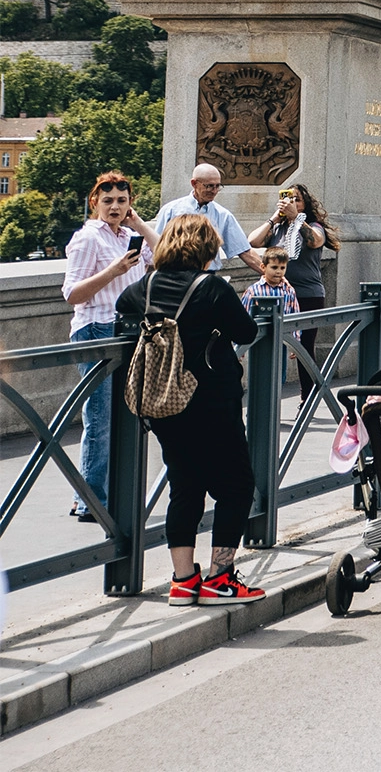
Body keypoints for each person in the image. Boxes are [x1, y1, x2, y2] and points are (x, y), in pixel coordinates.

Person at [122, 218, 263, 606]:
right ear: (205, 250)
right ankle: (221, 579)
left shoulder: (145, 287)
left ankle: (183, 582)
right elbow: (247, 331)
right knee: (236, 486)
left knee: (185, 488)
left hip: (164, 404)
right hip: (211, 401)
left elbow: (122, 309)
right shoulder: (212, 287)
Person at [63, 171, 155, 522]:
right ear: (95, 203)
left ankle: (92, 493)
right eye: (108, 201)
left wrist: (140, 223)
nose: (115, 207)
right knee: (100, 419)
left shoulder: (129, 237)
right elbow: (72, 294)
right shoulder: (88, 239)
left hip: (127, 333)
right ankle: (92, 501)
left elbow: (163, 255)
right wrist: (114, 272)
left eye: (122, 200)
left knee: (124, 416)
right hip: (96, 330)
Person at [250, 183, 334, 396]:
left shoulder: (313, 225)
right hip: (278, 296)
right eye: (288, 198)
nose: (291, 203)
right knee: (273, 348)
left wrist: (297, 218)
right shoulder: (278, 228)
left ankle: (308, 398)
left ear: (305, 205)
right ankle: (268, 398)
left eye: (297, 199)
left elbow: (316, 241)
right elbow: (253, 241)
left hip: (307, 294)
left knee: (304, 348)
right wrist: (273, 219)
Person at [155, 163, 261, 273]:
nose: (214, 191)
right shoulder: (171, 210)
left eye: (218, 186)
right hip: (174, 275)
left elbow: (244, 251)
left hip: (207, 277)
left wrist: (270, 275)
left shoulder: (223, 215)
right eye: (209, 186)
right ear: (194, 183)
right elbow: (155, 247)